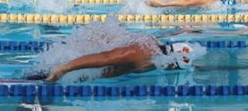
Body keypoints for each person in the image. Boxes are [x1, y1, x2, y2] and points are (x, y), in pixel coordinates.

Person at [45, 38, 195, 82]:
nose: (171, 70)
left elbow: (118, 68)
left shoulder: (153, 59)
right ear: (171, 62)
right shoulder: (142, 52)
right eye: (174, 68)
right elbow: (105, 58)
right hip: (67, 63)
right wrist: (63, 69)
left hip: (79, 73)